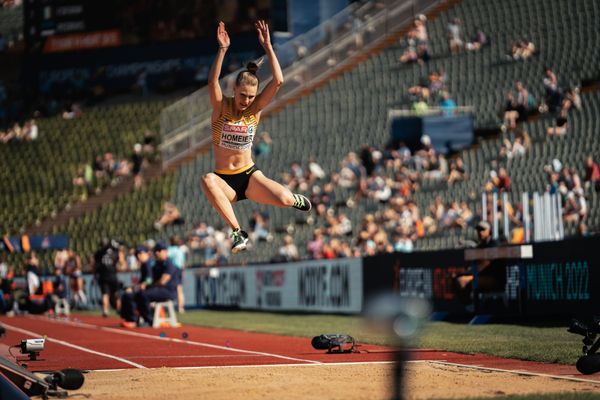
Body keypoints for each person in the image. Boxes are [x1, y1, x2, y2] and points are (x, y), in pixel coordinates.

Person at [201, 20, 311, 254]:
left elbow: (279, 81)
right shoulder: (222, 108)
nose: (247, 100)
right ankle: (237, 232)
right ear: (234, 90)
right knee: (207, 179)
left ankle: (294, 198)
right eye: (243, 95)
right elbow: (212, 83)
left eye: (251, 96)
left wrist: (269, 47)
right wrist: (222, 50)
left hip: (250, 177)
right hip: (225, 181)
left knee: (284, 199)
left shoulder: (254, 111)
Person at [134, 242, 178, 327]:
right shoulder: (157, 264)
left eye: (160, 251)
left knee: (144, 295)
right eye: (156, 251)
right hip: (158, 289)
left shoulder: (169, 264)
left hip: (168, 291)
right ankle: (139, 318)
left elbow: (162, 281)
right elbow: (151, 278)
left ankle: (150, 320)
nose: (157, 253)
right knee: (138, 294)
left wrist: (150, 285)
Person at [91, 238, 121, 317]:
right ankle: (119, 308)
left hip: (103, 275)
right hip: (112, 275)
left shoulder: (98, 253)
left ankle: (105, 310)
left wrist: (94, 275)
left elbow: (94, 265)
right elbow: (119, 263)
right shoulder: (114, 252)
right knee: (116, 292)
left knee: (105, 293)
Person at [167, 235, 187, 313]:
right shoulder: (180, 250)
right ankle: (181, 307)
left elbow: (167, 260)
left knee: (173, 288)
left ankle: (172, 306)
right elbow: (183, 263)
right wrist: (183, 272)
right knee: (180, 288)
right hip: (179, 269)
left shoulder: (170, 250)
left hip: (173, 269)